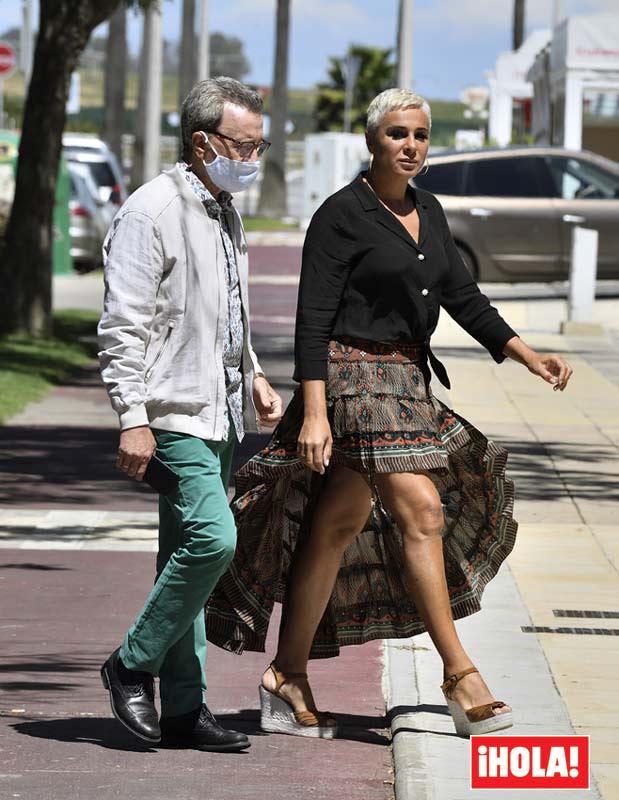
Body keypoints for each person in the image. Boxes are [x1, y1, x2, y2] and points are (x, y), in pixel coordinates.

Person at [205, 88, 573, 739]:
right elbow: (312, 318)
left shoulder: (427, 210)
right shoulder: (341, 214)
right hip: (349, 376)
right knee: (422, 509)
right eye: (397, 134)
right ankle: (459, 674)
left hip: (405, 378)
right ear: (373, 141)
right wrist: (313, 412)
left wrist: (525, 354)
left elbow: (463, 295)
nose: (410, 145)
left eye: (420, 135)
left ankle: (286, 674)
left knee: (338, 518)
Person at [97, 77, 282, 751]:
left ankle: (183, 708)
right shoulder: (151, 211)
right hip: (169, 412)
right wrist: (131, 416)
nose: (252, 158)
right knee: (213, 541)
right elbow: (122, 325)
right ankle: (129, 665)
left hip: (219, 415)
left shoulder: (223, 209)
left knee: (184, 552)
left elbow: (226, 312)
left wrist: (255, 376)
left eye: (260, 146)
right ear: (202, 142)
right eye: (242, 144)